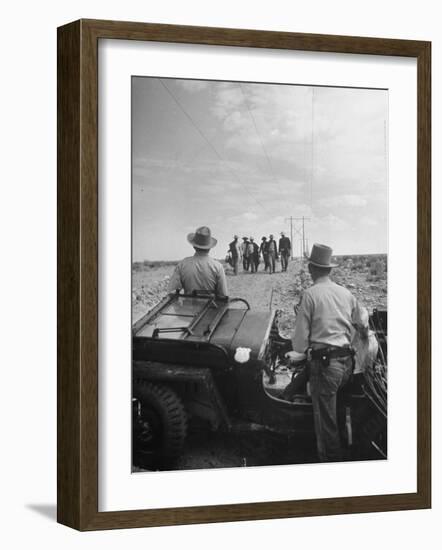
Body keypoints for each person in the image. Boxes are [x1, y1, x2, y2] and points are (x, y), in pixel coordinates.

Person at [286, 243, 368, 462]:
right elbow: (361, 326)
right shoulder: (346, 293)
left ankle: (331, 463)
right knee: (335, 406)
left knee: (325, 423)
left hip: (326, 366)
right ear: (330, 269)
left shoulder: (310, 295)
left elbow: (300, 344)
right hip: (347, 364)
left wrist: (303, 350)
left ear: (312, 269)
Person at [168, 226, 228, 296]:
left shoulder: (182, 264)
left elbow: (172, 291)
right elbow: (223, 295)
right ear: (210, 248)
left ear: (194, 246)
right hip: (210, 306)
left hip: (188, 306)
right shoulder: (218, 267)